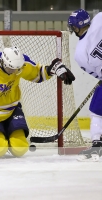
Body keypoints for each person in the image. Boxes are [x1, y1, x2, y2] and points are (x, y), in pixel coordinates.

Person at [68, 9, 102, 161]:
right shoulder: (99, 19)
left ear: (76, 27)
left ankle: (97, 145)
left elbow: (95, 74)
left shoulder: (80, 53)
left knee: (96, 112)